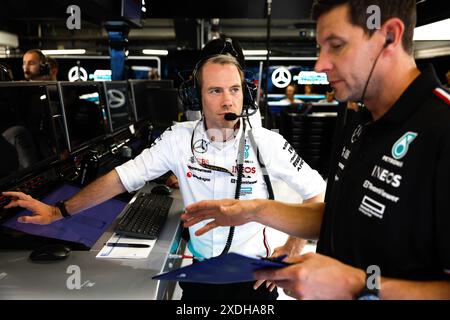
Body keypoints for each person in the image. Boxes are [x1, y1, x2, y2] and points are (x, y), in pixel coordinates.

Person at [182, 0, 450, 300]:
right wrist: (253, 210)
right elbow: (337, 217)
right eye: (321, 47)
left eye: (336, 45)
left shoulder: (441, 131)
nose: (320, 64)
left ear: (388, 35)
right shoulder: (361, 123)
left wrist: (359, 285)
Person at [3, 53, 326, 300]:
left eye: (234, 89)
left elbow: (318, 192)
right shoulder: (177, 139)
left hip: (253, 280)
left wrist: (293, 246)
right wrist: (59, 211)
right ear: (195, 97)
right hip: (199, 278)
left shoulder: (268, 144)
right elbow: (122, 177)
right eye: (215, 90)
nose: (228, 100)